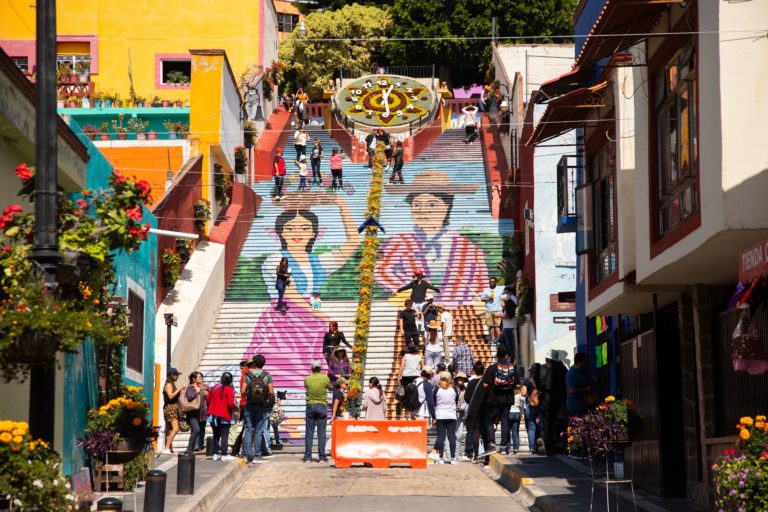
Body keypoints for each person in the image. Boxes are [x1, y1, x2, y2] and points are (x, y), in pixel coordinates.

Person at [378, 170, 487, 308]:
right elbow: (381, 270)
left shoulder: (470, 250)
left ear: (447, 206)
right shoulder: (397, 242)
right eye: (416, 204)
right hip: (416, 310)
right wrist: (413, 285)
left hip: (460, 314)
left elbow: (482, 285)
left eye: (432, 204)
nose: (422, 210)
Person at [480, 345, 518, 454]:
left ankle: (492, 443)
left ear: (497, 356)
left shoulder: (492, 368)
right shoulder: (512, 368)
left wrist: (491, 386)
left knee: (489, 421)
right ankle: (504, 445)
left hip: (494, 399)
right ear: (506, 356)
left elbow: (485, 384)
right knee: (505, 421)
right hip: (507, 399)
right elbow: (518, 385)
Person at [241, 354, 274, 464]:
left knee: (248, 429)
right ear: (263, 364)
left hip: (249, 405)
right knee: (259, 430)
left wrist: (248, 395)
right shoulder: (267, 375)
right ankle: (257, 453)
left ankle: (247, 453)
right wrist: (264, 397)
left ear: (254, 363)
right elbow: (271, 392)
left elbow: (242, 391)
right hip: (261, 405)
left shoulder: (247, 375)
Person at [303, 360, 332, 462]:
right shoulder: (325, 378)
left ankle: (307, 457)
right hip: (322, 406)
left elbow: (306, 387)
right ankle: (322, 456)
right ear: (320, 368)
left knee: (309, 433)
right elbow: (331, 388)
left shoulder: (307, 379)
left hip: (310, 406)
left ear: (311, 368)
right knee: (321, 433)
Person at [206, 372, 237, 461]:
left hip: (213, 416)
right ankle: (224, 455)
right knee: (224, 436)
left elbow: (208, 400)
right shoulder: (229, 390)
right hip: (225, 416)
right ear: (231, 380)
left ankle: (215, 454)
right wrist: (236, 408)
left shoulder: (215, 387)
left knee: (216, 435)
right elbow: (230, 403)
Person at [432, 371, 459, 464]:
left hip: (440, 415)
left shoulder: (436, 389)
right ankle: (453, 458)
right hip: (451, 415)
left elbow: (434, 402)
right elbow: (456, 401)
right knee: (452, 437)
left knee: (441, 436)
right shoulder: (454, 389)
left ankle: (440, 458)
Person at [462, 361, 485, 461]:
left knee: (471, 432)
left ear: (474, 370)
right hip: (483, 410)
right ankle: (484, 453)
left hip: (472, 410)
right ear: (483, 370)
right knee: (483, 432)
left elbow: (466, 398)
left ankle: (470, 453)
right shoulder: (485, 382)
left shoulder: (470, 383)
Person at [161, 368, 185, 454]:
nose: (177, 377)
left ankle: (169, 448)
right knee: (176, 428)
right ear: (172, 375)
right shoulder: (168, 385)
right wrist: (179, 389)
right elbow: (170, 396)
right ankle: (166, 448)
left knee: (171, 429)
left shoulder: (171, 384)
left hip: (172, 407)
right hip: (170, 408)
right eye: (176, 375)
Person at [184, 371, 206, 454]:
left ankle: (191, 448)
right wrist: (197, 391)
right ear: (194, 379)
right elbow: (190, 397)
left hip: (199, 414)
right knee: (196, 430)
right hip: (192, 413)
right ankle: (189, 449)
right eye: (199, 377)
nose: (201, 378)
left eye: (201, 377)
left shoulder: (199, 387)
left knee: (196, 430)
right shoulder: (191, 387)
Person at [231, 360, 250, 457]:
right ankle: (238, 449)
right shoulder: (246, 376)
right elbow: (244, 391)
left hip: (244, 404)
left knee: (247, 428)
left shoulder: (245, 375)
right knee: (247, 428)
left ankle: (237, 449)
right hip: (246, 404)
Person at [522, 365, 542, 454]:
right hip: (541, 406)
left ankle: (532, 448)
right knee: (541, 426)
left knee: (531, 427)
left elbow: (523, 393)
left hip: (531, 406)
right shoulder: (543, 381)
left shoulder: (527, 381)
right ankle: (541, 445)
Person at [566, 352, 591, 417]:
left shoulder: (580, 371)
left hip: (582, 406)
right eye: (585, 361)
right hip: (575, 408)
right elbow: (572, 391)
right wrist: (586, 389)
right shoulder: (571, 373)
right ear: (580, 362)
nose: (586, 363)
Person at [481, 277, 503, 343]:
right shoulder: (486, 290)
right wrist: (489, 299)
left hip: (497, 310)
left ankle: (499, 339)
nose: (491, 283)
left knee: (497, 326)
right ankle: (493, 339)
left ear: (496, 282)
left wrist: (517, 278)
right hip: (489, 310)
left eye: (493, 282)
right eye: (490, 281)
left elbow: (510, 286)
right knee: (491, 326)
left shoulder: (500, 288)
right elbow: (482, 299)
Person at [500, 286, 519, 361]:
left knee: (509, 344)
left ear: (510, 292)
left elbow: (509, 316)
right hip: (506, 326)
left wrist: (498, 316)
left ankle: (511, 357)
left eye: (506, 293)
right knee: (503, 341)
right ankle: (509, 355)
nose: (505, 294)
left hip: (510, 326)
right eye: (504, 293)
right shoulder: (508, 301)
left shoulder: (513, 300)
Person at [454, 371, 469, 457]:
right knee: (452, 434)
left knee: (459, 434)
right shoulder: (452, 388)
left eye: (462, 379)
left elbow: (467, 400)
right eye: (459, 379)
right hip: (452, 413)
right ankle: (453, 452)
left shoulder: (465, 389)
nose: (461, 380)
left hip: (461, 413)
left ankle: (457, 452)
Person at [508, 385, 525, 455]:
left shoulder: (510, 394)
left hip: (510, 412)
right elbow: (522, 405)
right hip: (517, 413)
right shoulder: (520, 395)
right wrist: (522, 415)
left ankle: (508, 449)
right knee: (515, 432)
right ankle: (516, 449)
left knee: (507, 431)